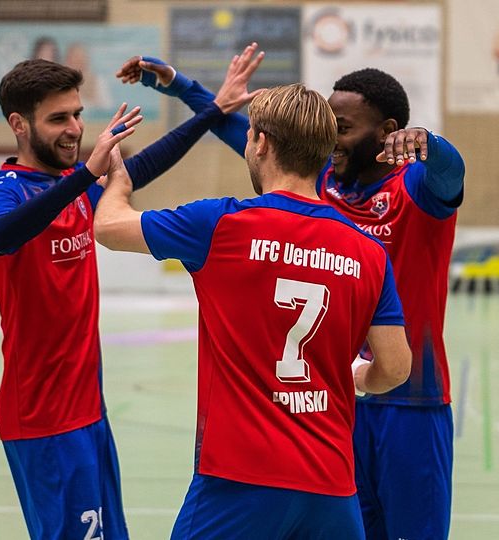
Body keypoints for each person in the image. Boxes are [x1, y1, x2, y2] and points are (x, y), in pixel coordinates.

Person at [117, 52, 465, 540]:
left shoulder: (415, 189)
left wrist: (433, 144)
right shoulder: (322, 185)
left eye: (343, 128)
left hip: (410, 401)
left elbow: (452, 176)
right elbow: (258, 140)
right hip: (334, 404)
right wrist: (180, 86)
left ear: (388, 132)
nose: (331, 139)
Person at [0, 52, 262, 539]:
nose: (74, 128)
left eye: (77, 114)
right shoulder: (4, 191)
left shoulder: (72, 187)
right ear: (19, 124)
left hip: (89, 410)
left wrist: (213, 110)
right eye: (58, 119)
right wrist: (87, 175)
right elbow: (2, 236)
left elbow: (145, 165)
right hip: (43, 418)